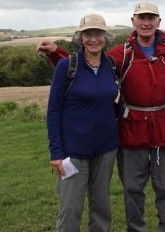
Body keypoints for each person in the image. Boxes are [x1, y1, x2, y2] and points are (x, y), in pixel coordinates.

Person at [39, 2, 165, 232]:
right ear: (133, 21)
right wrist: (57, 53)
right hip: (126, 133)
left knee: (164, 189)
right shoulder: (121, 54)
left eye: (151, 18)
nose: (146, 23)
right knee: (130, 191)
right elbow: (81, 68)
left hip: (153, 133)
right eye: (141, 18)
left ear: (159, 21)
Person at [47, 14, 118, 231]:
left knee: (101, 207)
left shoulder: (111, 65)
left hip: (105, 148)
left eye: (98, 34)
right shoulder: (67, 66)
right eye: (88, 34)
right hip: (72, 152)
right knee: (70, 208)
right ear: (81, 37)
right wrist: (56, 153)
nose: (93, 39)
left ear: (105, 37)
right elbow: (53, 111)